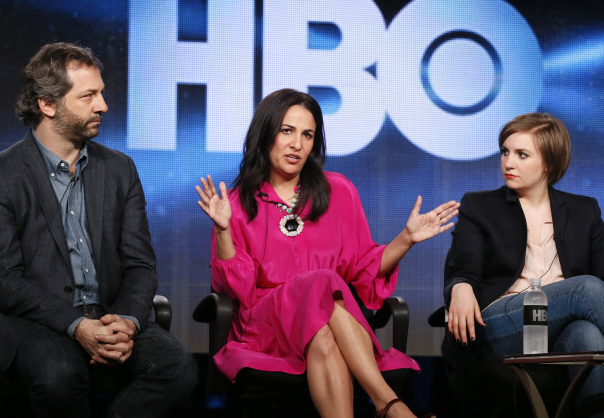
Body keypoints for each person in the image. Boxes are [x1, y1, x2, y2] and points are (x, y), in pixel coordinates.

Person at [195, 88, 459, 418]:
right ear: (265, 134)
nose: (297, 144)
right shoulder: (235, 202)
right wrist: (223, 229)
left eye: (308, 135)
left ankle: (385, 406)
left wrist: (405, 239)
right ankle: (389, 404)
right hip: (266, 326)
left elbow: (364, 268)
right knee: (323, 282)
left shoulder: (339, 192)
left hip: (328, 322)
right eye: (287, 131)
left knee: (322, 332)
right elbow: (235, 289)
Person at [0, 42, 197, 417]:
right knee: (59, 376)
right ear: (47, 104)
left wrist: (125, 322)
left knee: (178, 369)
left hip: (109, 316)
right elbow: (3, 281)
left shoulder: (120, 170)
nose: (103, 106)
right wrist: (77, 326)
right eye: (89, 96)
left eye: (102, 93)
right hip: (37, 323)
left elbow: (140, 265)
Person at [443, 112, 604, 417]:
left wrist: (579, 309)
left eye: (521, 154)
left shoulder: (583, 211)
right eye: (505, 152)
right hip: (499, 323)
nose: (508, 163)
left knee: (587, 333)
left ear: (548, 162)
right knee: (585, 287)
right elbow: (463, 265)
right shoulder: (480, 206)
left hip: (559, 330)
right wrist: (461, 286)